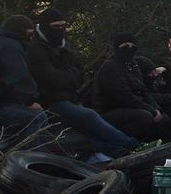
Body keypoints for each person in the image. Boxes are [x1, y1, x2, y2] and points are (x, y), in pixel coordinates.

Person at [27, 8, 137, 158]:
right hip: (51, 101)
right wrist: (70, 76)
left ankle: (117, 151)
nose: (60, 30)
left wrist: (68, 77)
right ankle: (130, 144)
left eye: (62, 25)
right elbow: (51, 79)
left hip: (69, 97)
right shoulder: (36, 50)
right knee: (88, 116)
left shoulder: (64, 46)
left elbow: (79, 73)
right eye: (56, 26)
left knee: (87, 127)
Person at [92, 32, 171, 142]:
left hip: (132, 106)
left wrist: (156, 109)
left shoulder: (133, 65)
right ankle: (132, 144)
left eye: (132, 46)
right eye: (125, 46)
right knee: (144, 117)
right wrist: (152, 111)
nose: (129, 49)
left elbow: (143, 91)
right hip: (110, 110)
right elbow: (125, 97)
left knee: (164, 118)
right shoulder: (110, 68)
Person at [0, 16, 49, 150]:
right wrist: (30, 101)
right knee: (37, 117)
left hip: (1, 99)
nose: (31, 38)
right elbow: (18, 78)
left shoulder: (1, 42)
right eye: (30, 34)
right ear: (21, 31)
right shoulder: (10, 47)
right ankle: (32, 158)